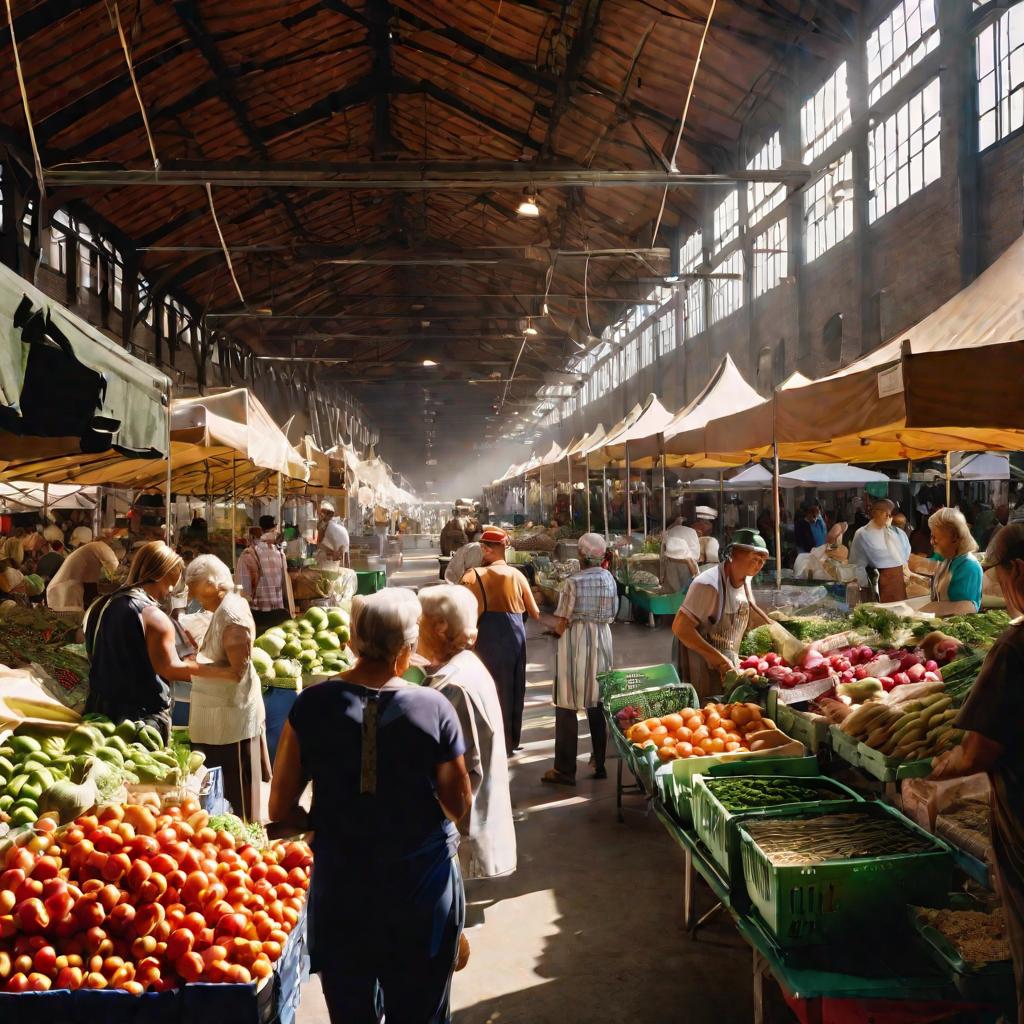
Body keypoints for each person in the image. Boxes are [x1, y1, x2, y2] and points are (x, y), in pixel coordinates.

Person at [268, 589, 472, 1024]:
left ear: (353, 642)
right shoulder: (433, 707)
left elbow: (279, 807)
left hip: (344, 888)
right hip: (420, 889)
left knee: (351, 1011)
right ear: (405, 649)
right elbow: (459, 804)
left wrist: (321, 817)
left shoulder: (313, 704)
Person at [931, 524, 1024, 1023]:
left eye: (998, 576)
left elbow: (976, 752)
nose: (997, 589)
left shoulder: (1014, 647)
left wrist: (940, 769)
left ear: (1018, 572)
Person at [418, 584, 516, 880]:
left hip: (462, 833)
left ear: (439, 627)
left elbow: (463, 772)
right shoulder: (464, 666)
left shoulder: (453, 685)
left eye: (418, 622)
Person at [83, 541, 195, 741]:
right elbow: (171, 669)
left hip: (99, 713)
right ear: (161, 574)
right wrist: (217, 672)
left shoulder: (101, 604)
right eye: (171, 584)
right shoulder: (151, 614)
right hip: (139, 721)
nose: (169, 592)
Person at [185, 554, 268, 822]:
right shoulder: (224, 609)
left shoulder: (232, 615)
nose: (194, 599)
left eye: (197, 592)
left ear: (212, 585)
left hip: (232, 721)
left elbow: (236, 672)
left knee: (238, 796)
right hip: (219, 719)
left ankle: (249, 843)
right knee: (221, 795)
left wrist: (190, 667)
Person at [541, 533, 617, 786]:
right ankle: (600, 763)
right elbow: (613, 612)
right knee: (597, 703)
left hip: (576, 643)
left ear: (581, 556)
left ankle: (565, 770)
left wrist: (553, 630)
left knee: (566, 704)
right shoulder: (609, 578)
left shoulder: (572, 582)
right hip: (602, 640)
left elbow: (563, 621)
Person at [461, 526, 541, 756]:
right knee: (514, 688)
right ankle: (511, 740)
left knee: (489, 689)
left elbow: (464, 612)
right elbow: (534, 612)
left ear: (487, 550)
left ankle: (491, 741)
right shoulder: (518, 575)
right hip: (516, 640)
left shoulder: (474, 576)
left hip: (488, 640)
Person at [671, 528, 773, 701]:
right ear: (733, 555)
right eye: (755, 559)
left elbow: (752, 610)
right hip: (700, 660)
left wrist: (775, 631)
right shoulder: (708, 585)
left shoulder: (745, 579)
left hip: (727, 659)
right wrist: (719, 661)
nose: (760, 565)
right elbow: (680, 628)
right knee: (706, 707)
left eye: (763, 560)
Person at [906, 507, 984, 615]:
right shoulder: (948, 558)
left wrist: (923, 613)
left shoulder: (969, 567)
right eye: (931, 537)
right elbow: (930, 564)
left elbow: (966, 609)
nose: (932, 542)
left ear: (954, 537)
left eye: (935, 537)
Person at [236, 514, 294, 633]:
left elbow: (242, 592)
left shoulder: (248, 555)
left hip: (258, 617)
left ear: (260, 529)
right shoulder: (280, 554)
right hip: (279, 616)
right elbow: (285, 588)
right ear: (275, 528)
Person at [848, 498, 911, 603]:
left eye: (891, 513)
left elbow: (905, 559)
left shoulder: (899, 533)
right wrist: (865, 592)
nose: (888, 515)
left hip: (899, 585)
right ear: (873, 513)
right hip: (880, 586)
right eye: (884, 512)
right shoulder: (863, 534)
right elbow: (857, 566)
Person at [46, 539, 120, 612]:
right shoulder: (102, 547)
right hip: (64, 591)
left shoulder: (91, 551)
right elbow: (115, 569)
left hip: (61, 589)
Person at [662, 520, 701, 594]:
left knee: (672, 588)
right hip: (685, 563)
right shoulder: (692, 531)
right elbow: (696, 552)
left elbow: (664, 545)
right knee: (684, 590)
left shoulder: (672, 530)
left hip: (671, 561)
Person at [315, 501, 350, 569]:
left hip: (335, 560)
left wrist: (332, 553)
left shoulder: (331, 529)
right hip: (337, 553)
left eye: (324, 514)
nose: (321, 516)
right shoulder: (330, 525)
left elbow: (319, 544)